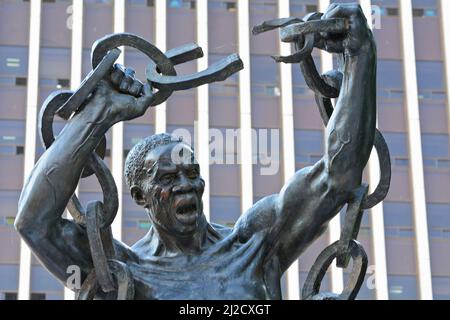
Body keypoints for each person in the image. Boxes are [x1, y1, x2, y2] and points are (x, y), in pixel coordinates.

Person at [15, 3, 376, 300]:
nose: (186, 185)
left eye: (191, 173)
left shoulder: (252, 243)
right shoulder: (120, 270)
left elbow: (338, 177)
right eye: (169, 179)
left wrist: (360, 54)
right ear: (140, 195)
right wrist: (98, 113)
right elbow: (34, 224)